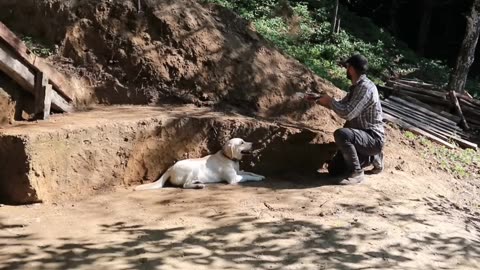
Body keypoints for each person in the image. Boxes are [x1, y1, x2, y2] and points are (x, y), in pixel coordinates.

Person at [307, 53, 385, 185]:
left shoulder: (365, 88)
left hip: (373, 138)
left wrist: (330, 101)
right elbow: (341, 105)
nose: (346, 70)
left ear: (352, 69)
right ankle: (371, 157)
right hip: (362, 137)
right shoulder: (357, 87)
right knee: (335, 169)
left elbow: (348, 113)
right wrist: (319, 99)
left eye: (347, 67)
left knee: (342, 134)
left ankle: (357, 173)